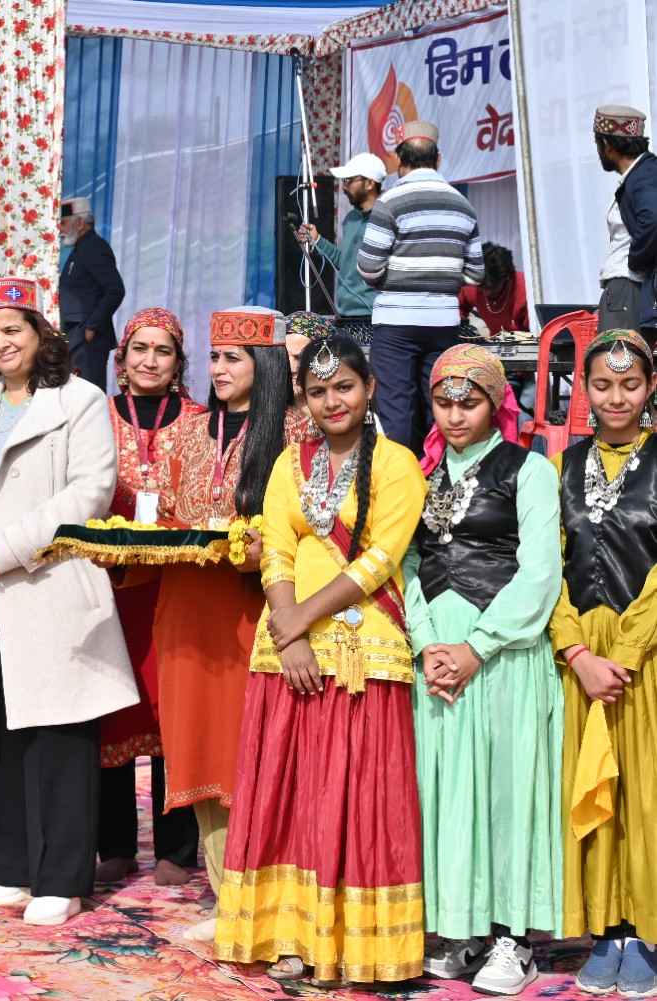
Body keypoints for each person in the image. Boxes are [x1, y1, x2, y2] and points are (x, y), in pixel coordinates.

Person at [215, 334, 428, 985]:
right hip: (288, 652)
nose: (332, 401)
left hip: (364, 650)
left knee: (353, 799)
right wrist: (291, 634)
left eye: (344, 387)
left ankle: (354, 944)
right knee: (292, 796)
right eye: (317, 391)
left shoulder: (397, 464)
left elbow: (380, 559)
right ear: (302, 398)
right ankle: (289, 933)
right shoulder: (290, 462)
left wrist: (300, 619)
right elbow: (277, 548)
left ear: (369, 388)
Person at [0, 276, 139, 926]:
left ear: (39, 333)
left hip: (49, 585)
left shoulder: (79, 400)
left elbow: (89, 492)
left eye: (13, 330)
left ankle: (61, 876)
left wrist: (5, 546)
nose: (2, 343)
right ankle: (9, 863)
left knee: (58, 736)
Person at [405, 344, 562, 996]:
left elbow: (541, 571)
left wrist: (478, 646)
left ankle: (513, 938)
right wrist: (425, 642)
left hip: (501, 656)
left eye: (468, 402)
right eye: (443, 402)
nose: (454, 414)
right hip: (437, 658)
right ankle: (463, 927)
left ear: (496, 402)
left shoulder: (530, 470)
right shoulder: (420, 476)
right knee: (446, 791)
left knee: (504, 792)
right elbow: (406, 562)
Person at [150, 307, 310, 942]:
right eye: (214, 357)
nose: (218, 369)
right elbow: (164, 514)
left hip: (257, 612)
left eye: (233, 358)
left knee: (257, 751)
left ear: (264, 364)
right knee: (199, 750)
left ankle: (274, 899)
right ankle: (227, 897)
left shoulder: (297, 430)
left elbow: (310, 525)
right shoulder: (189, 430)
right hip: (188, 611)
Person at [550, 329, 657, 996]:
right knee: (592, 789)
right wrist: (577, 651)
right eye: (602, 384)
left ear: (651, 388)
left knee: (645, 792)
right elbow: (546, 567)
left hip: (646, 655)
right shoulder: (560, 466)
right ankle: (605, 928)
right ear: (584, 390)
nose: (616, 397)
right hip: (583, 660)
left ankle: (645, 930)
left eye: (630, 384)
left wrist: (624, 652)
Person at [93, 309, 204, 889]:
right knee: (111, 709)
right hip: (109, 589)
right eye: (140, 349)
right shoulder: (95, 418)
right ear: (122, 358)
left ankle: (177, 849)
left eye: (162, 351)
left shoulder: (202, 422)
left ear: (178, 362)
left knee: (174, 712)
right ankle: (113, 844)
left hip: (176, 588)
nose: (149, 360)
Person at [358, 121, 486, 452]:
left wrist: (397, 284)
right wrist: (442, 282)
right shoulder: (462, 205)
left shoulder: (390, 201)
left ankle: (399, 478)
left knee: (396, 408)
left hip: (395, 322)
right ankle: (439, 473)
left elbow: (368, 267)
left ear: (398, 159)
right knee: (441, 402)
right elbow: (475, 273)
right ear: (438, 158)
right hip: (443, 322)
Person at [296, 152, 385, 346]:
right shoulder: (351, 218)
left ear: (370, 184)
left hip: (374, 316)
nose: (344, 187)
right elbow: (343, 262)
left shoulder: (385, 218)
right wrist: (317, 240)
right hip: (345, 315)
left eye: (349, 180)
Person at [594, 106, 657, 333]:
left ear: (607, 145)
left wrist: (636, 261)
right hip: (634, 290)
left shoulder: (644, 176)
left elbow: (653, 220)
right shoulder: (645, 173)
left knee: (617, 355)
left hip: (628, 286)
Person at [59, 196, 126, 390]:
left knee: (87, 393)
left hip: (87, 337)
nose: (60, 229)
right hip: (76, 334)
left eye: (63, 223)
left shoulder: (95, 248)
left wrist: (91, 326)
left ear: (80, 223)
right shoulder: (81, 249)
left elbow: (115, 290)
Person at [458, 243, 530, 335]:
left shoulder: (527, 291)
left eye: (491, 287)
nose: (485, 292)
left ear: (507, 278)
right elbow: (457, 308)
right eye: (481, 286)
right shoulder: (472, 284)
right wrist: (462, 328)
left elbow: (537, 334)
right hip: (494, 340)